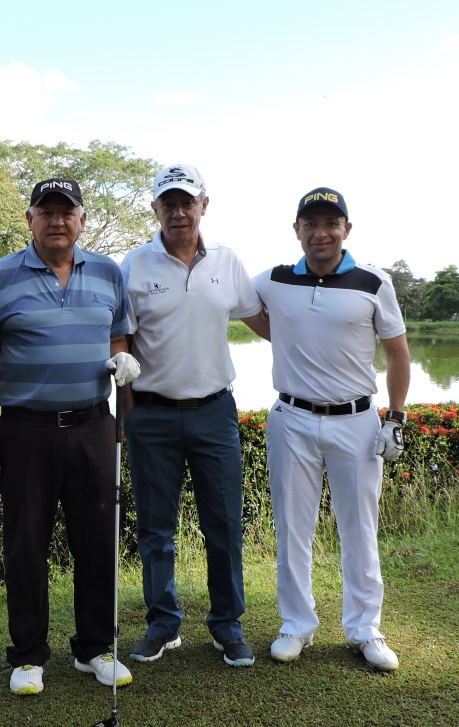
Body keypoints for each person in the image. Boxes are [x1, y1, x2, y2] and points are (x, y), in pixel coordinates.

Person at [0, 176, 141, 696]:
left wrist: (124, 389)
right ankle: (27, 655)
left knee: (96, 541)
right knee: (25, 544)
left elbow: (119, 339)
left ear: (81, 220)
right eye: (46, 212)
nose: (57, 220)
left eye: (66, 212)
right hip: (25, 430)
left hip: (94, 426)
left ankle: (94, 649)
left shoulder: (109, 272)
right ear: (30, 220)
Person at [252, 187, 411, 672]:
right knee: (292, 529)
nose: (320, 233)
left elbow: (398, 353)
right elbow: (239, 305)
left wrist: (396, 418)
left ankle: (365, 629)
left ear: (346, 229)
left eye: (330, 224)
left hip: (357, 422)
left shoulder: (373, 282)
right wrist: (285, 332)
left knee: (359, 529)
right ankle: (296, 625)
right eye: (310, 224)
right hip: (292, 419)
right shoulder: (275, 279)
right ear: (296, 230)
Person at [119, 164, 269, 668]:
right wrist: (126, 396)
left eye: (187, 202)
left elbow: (261, 319)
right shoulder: (134, 265)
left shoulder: (226, 263)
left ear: (205, 204)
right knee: (156, 530)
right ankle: (164, 624)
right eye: (168, 203)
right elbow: (121, 336)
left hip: (213, 412)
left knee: (223, 524)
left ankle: (228, 626)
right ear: (155, 209)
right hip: (152, 415)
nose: (178, 212)